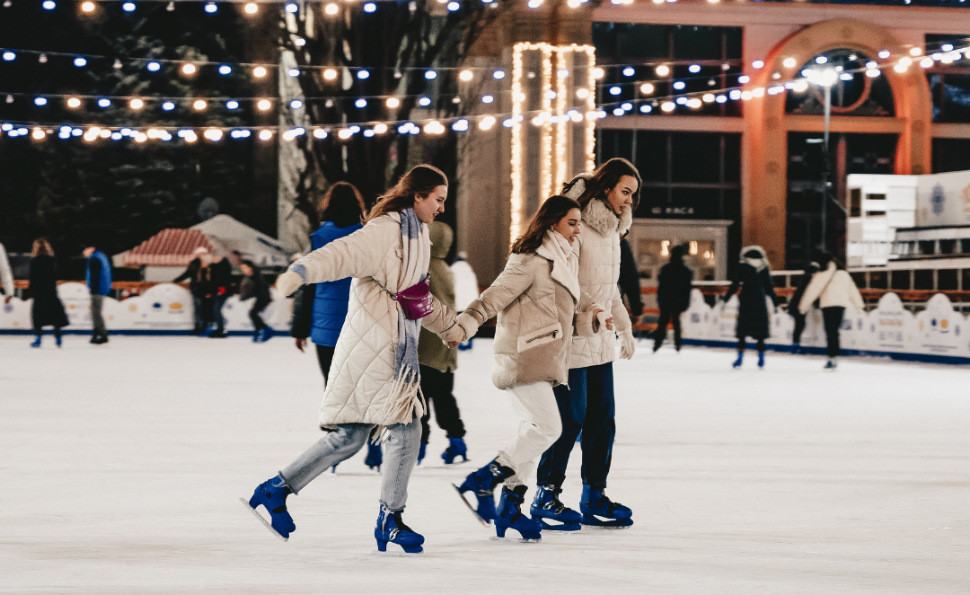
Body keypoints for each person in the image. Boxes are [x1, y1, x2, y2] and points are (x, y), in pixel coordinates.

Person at [243, 164, 464, 554]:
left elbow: (415, 297)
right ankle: (389, 521)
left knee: (351, 435)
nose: (442, 208)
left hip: (389, 347)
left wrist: (451, 327)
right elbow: (341, 254)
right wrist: (301, 271)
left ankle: (275, 489)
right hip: (377, 348)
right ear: (418, 196)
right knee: (406, 429)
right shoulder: (386, 232)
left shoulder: (416, 237)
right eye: (438, 199)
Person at [452, 195, 610, 540]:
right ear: (552, 222)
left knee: (532, 430)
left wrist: (595, 311)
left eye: (579, 222)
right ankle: (484, 477)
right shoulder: (530, 259)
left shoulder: (562, 259)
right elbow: (493, 297)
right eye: (572, 222)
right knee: (548, 429)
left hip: (546, 358)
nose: (577, 230)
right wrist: (464, 326)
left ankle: (511, 507)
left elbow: (573, 297)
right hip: (523, 357)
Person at [533, 157, 641, 530]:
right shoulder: (574, 225)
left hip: (599, 337)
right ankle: (546, 492)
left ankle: (594, 492)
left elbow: (608, 290)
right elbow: (562, 282)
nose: (628, 200)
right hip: (569, 336)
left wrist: (623, 329)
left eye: (632, 195)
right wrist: (590, 312)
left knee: (602, 419)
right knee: (570, 419)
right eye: (625, 192)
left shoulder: (612, 232)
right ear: (607, 187)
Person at [289, 181, 381, 471]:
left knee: (334, 388)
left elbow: (306, 284)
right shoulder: (368, 236)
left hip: (326, 326)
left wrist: (300, 328)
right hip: (363, 323)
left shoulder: (318, 239)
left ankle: (334, 452)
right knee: (366, 386)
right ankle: (376, 446)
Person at [417, 221, 469, 465]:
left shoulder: (422, 269)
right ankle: (457, 440)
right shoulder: (447, 269)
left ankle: (419, 445)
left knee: (419, 400)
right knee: (444, 396)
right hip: (446, 347)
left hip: (424, 347)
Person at [798, 251, 865, 369]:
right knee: (835, 331)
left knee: (830, 332)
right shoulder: (844, 274)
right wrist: (859, 305)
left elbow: (812, 291)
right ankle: (834, 357)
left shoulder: (822, 274)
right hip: (840, 306)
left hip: (828, 306)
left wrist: (803, 307)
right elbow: (852, 290)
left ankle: (832, 357)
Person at [722, 245, 779, 369]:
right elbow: (769, 288)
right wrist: (776, 304)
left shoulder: (742, 266)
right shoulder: (764, 268)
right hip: (759, 302)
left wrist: (724, 300)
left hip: (746, 302)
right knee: (760, 334)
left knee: (742, 333)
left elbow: (734, 285)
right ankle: (761, 358)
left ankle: (740, 358)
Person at [28, 238, 68, 348]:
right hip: (50, 292)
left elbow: (32, 278)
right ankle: (58, 337)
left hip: (39, 293)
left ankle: (38, 339)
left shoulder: (35, 261)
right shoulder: (51, 261)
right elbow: (55, 275)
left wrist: (31, 290)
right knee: (55, 316)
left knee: (37, 316)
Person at [653, 243, 693, 352]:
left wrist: (660, 300)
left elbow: (661, 286)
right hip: (678, 301)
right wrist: (685, 303)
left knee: (663, 322)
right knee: (676, 322)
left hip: (666, 300)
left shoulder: (666, 269)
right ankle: (678, 345)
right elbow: (687, 289)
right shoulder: (685, 271)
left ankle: (657, 344)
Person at [173, 247, 211, 335]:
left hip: (206, 289)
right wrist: (176, 280)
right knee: (198, 308)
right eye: (200, 254)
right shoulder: (194, 263)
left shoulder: (209, 263)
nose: (202, 255)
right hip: (197, 289)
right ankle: (199, 327)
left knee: (205, 307)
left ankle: (205, 326)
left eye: (203, 254)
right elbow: (188, 273)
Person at [788, 260, 820, 354]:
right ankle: (795, 346)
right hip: (799, 305)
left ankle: (795, 345)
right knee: (800, 324)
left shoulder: (805, 277)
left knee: (799, 324)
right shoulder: (809, 278)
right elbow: (810, 293)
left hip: (796, 304)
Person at [83, 243, 112, 344]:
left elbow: (94, 276)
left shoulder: (94, 258)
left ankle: (103, 334)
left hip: (98, 289)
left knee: (96, 313)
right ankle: (95, 333)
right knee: (95, 312)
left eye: (85, 249)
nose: (84, 253)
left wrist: (93, 290)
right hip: (102, 288)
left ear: (91, 248)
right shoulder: (101, 256)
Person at [238, 260, 272, 342]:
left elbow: (262, 289)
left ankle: (265, 330)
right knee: (253, 314)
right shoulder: (250, 276)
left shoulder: (256, 276)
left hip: (263, 298)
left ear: (250, 267)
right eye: (242, 268)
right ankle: (262, 330)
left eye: (244, 268)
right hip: (260, 297)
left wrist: (261, 299)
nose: (243, 270)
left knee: (253, 313)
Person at [617, 237, 644, 326]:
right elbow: (630, 278)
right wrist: (637, 310)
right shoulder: (618, 240)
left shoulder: (576, 237)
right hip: (611, 308)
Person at [208, 254, 232, 338]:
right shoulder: (213, 266)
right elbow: (212, 280)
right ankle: (219, 329)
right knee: (215, 310)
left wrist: (221, 290)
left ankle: (221, 329)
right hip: (216, 291)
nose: (213, 258)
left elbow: (226, 279)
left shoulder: (224, 266)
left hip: (222, 291)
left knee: (216, 309)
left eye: (215, 256)